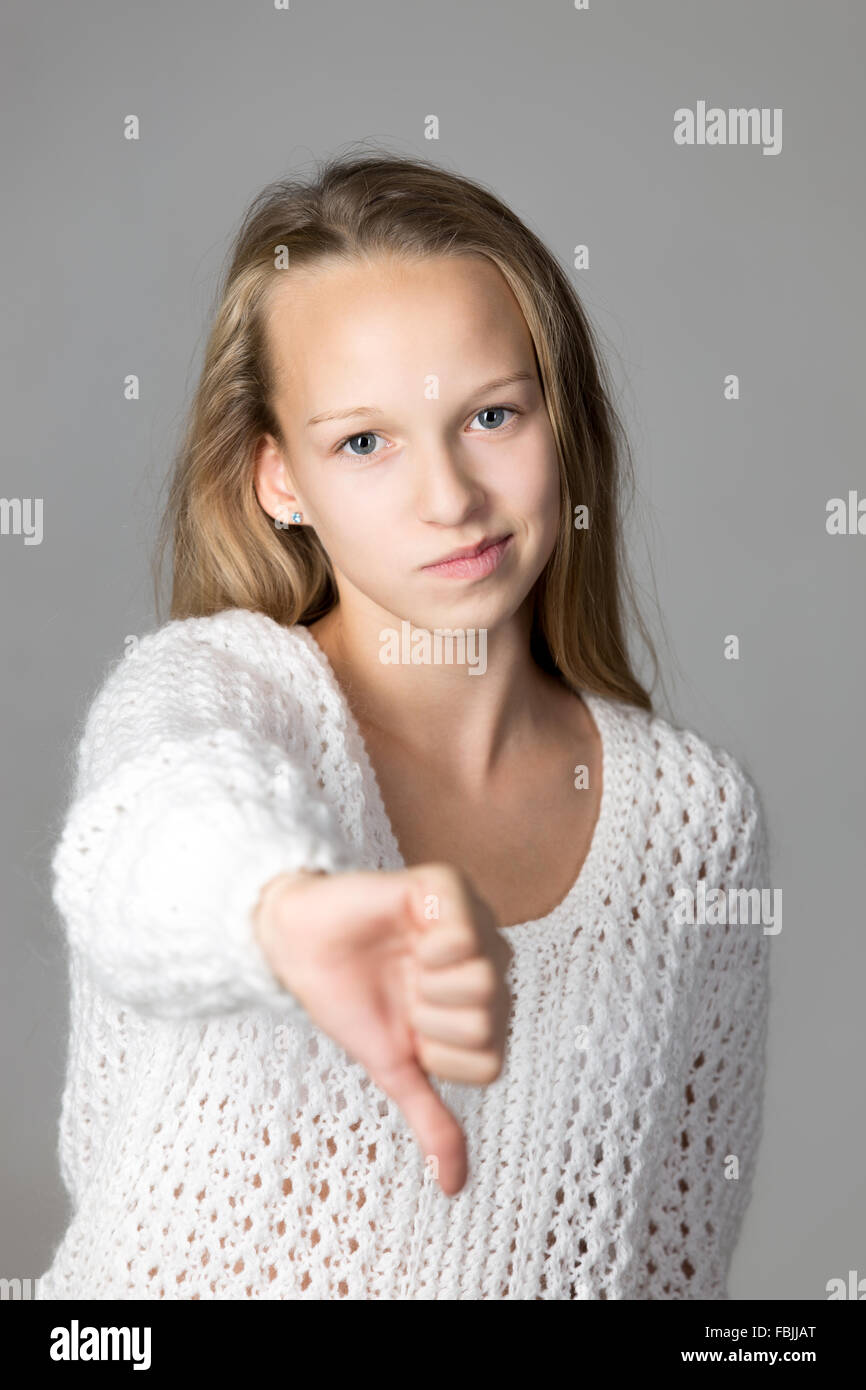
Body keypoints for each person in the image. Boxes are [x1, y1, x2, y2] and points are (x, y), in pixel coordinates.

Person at [38, 150, 772, 1300]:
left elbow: (675, 1266)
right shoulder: (221, 695)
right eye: (363, 442)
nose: (449, 497)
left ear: (559, 418)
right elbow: (142, 844)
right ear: (278, 480)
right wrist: (283, 914)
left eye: (489, 414)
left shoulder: (694, 821)